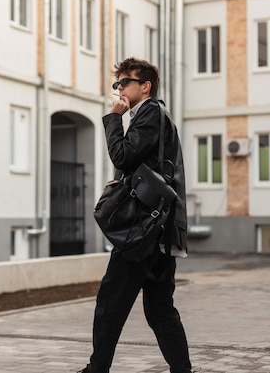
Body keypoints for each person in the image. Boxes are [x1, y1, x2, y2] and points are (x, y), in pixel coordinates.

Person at [78, 57, 193, 373]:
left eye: (125, 82)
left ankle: (96, 369)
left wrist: (113, 118)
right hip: (158, 229)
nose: (120, 89)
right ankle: (182, 370)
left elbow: (122, 156)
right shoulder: (155, 116)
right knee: (159, 309)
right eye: (117, 84)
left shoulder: (150, 115)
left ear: (146, 86)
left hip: (143, 231)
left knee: (110, 305)